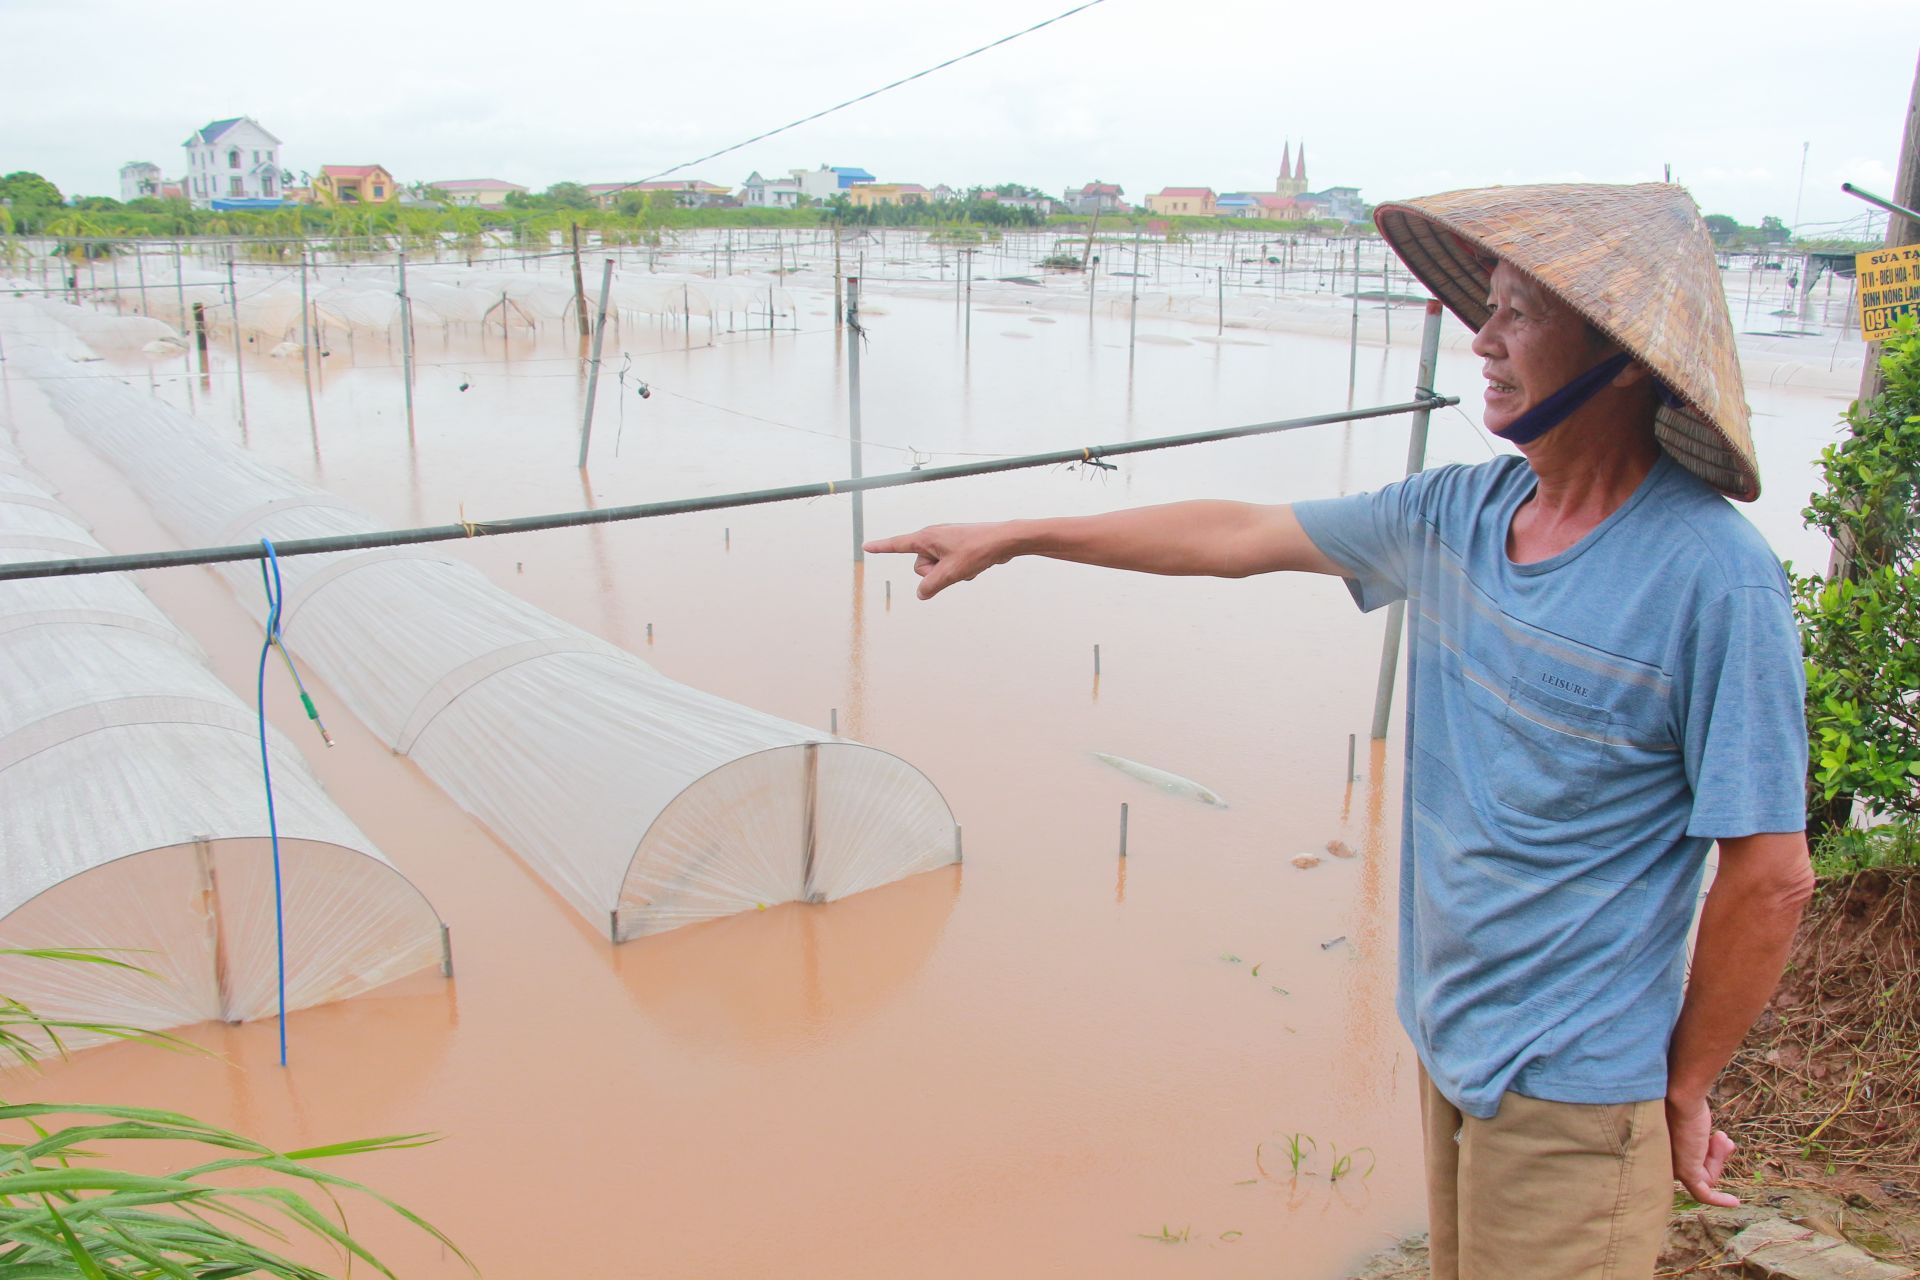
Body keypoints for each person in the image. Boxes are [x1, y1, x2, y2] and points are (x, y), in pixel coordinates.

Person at [865, 183, 1813, 1280]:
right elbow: (1241, 531)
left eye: (1522, 314)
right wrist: (1022, 529)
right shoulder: (1457, 515)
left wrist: (1681, 1085)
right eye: (1486, 305)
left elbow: (1771, 874)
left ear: (1627, 355)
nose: (1484, 339)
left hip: (1575, 1086)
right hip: (1451, 1043)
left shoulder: (1712, 577)